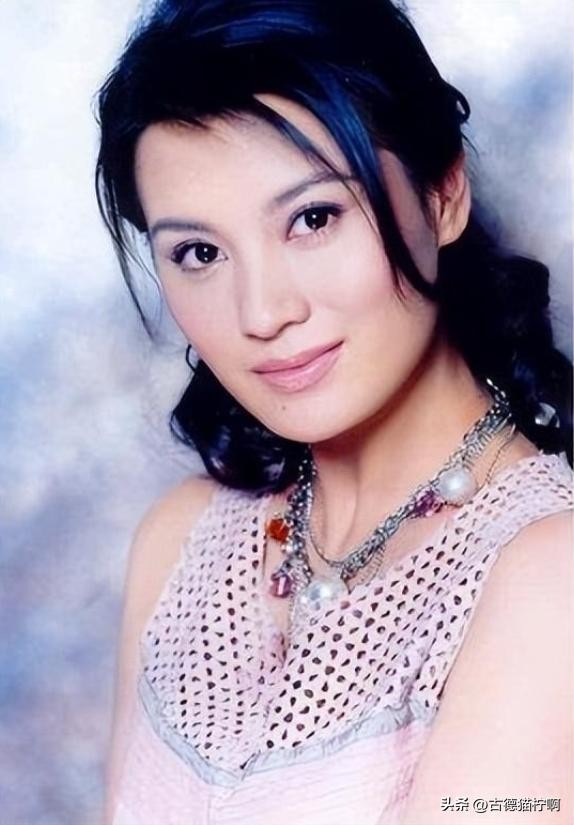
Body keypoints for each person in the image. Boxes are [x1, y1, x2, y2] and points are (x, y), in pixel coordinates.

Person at [95, 1, 573, 822]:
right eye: (199, 252)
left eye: (313, 218)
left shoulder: (548, 576)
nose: (262, 312)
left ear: (444, 193)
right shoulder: (179, 542)